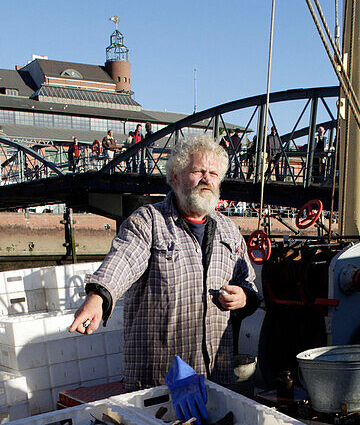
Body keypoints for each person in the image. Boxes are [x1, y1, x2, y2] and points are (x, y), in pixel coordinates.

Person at [68, 134, 261, 390]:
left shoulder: (229, 230)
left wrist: (244, 297)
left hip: (215, 377)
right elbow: (124, 259)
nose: (207, 179)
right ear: (176, 178)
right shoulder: (149, 221)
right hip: (158, 379)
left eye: (214, 174)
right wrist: (98, 297)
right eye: (198, 171)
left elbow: (247, 282)